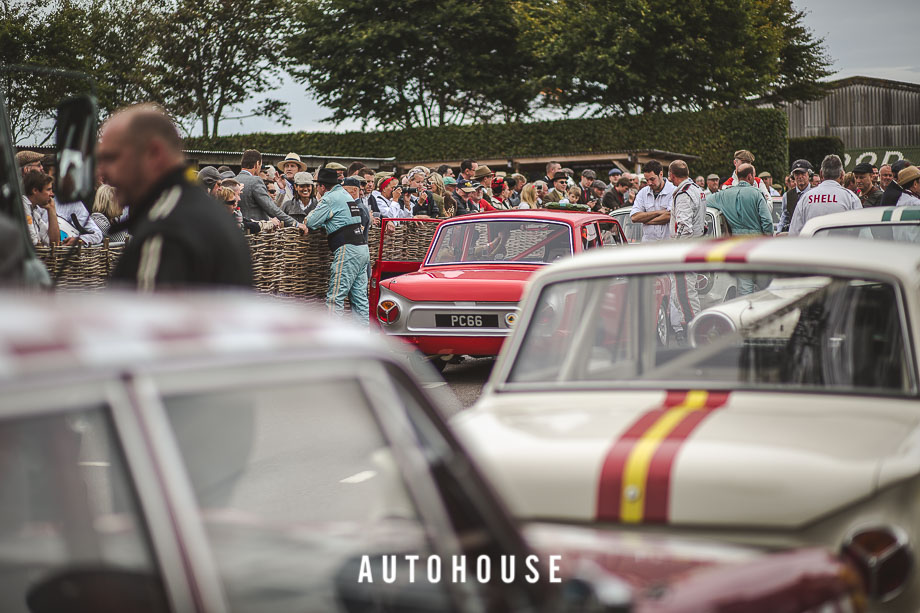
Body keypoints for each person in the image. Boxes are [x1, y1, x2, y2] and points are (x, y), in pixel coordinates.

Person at [98, 104, 252, 289]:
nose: (102, 171)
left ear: (154, 153)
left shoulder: (163, 232)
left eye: (112, 157)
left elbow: (142, 314)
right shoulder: (209, 214)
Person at [306, 168, 369, 324]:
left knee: (335, 297)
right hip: (362, 248)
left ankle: (332, 340)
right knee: (360, 299)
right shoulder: (346, 195)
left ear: (321, 186)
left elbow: (312, 222)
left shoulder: (330, 198)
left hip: (347, 249)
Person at [667, 160, 705, 344]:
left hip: (685, 250)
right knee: (688, 292)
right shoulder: (696, 189)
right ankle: (696, 330)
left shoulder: (683, 193)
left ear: (671, 175)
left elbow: (685, 226)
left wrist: (678, 251)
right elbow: (702, 223)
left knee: (683, 294)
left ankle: (694, 333)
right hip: (695, 246)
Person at [788, 155, 862, 236]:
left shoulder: (805, 198)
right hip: (842, 247)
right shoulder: (851, 198)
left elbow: (794, 233)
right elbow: (863, 234)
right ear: (842, 175)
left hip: (811, 247)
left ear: (821, 174)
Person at [235, 150, 304, 231]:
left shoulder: (232, 181)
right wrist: (295, 224)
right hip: (256, 236)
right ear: (257, 164)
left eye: (292, 166)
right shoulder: (255, 181)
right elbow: (271, 208)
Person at [705, 164, 774, 236]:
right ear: (749, 176)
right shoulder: (757, 193)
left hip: (736, 240)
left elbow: (704, 201)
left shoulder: (723, 195)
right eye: (754, 176)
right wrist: (768, 238)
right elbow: (767, 220)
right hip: (756, 239)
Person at [629, 160, 675, 242]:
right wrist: (659, 212)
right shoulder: (643, 192)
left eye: (652, 179)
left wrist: (647, 220)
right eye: (647, 180)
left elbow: (670, 215)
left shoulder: (673, 190)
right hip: (648, 246)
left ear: (661, 174)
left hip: (668, 245)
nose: (649, 183)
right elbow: (634, 217)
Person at [21, 171, 62, 246]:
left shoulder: (34, 211)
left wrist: (51, 210)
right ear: (35, 190)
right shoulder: (22, 205)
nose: (52, 194)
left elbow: (54, 243)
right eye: (48, 190)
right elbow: (34, 243)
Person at [778, 159, 812, 233]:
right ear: (793, 177)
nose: (800, 177)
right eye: (797, 174)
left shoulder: (816, 192)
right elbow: (785, 216)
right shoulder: (787, 196)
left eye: (803, 173)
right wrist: (779, 232)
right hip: (794, 236)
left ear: (809, 174)